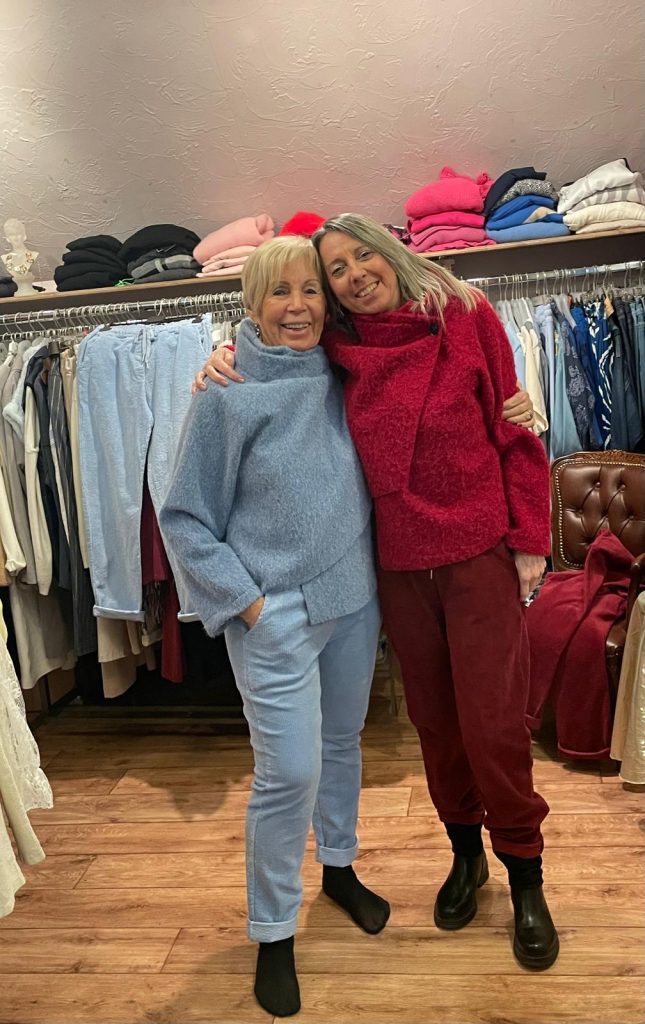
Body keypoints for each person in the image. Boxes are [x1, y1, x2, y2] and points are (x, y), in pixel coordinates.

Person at [196, 214, 560, 972]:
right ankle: (466, 856)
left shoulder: (465, 315)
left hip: (476, 553)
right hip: (395, 565)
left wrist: (529, 537)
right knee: (435, 723)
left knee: (493, 723)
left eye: (362, 256)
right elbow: (276, 339)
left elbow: (514, 431)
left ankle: (525, 875)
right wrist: (222, 356)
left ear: (389, 254)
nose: (353, 274)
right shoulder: (340, 345)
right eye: (336, 269)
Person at [159, 235, 389, 1019]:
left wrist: (514, 404)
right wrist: (248, 604)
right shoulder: (225, 391)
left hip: (352, 600)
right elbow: (183, 517)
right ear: (251, 305)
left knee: (340, 744)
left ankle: (340, 868)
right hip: (274, 616)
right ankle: (272, 931)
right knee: (286, 773)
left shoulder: (347, 368)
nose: (297, 307)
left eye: (310, 290)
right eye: (278, 292)